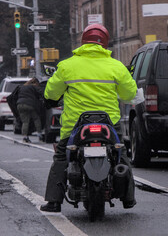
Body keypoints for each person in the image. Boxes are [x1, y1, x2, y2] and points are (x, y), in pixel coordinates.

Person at [40, 24, 137, 212]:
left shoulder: (67, 66)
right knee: (121, 156)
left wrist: (49, 100)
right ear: (105, 43)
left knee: (61, 157)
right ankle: (128, 198)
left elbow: (51, 92)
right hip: (109, 124)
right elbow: (129, 94)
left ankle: (53, 201)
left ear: (83, 41)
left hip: (75, 126)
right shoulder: (116, 66)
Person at [17, 78, 43, 143]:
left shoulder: (22, 87)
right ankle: (40, 135)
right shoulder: (33, 87)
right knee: (36, 118)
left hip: (19, 105)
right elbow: (42, 92)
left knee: (25, 122)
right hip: (29, 105)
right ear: (36, 83)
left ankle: (25, 137)